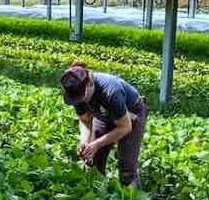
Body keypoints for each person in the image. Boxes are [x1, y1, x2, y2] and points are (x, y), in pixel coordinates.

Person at [60, 60, 147, 188]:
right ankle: (97, 194)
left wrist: (96, 144)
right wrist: (85, 141)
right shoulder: (76, 91)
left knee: (127, 168)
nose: (79, 101)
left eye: (81, 98)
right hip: (103, 115)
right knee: (93, 161)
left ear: (90, 83)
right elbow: (85, 120)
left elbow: (125, 127)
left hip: (130, 116)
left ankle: (133, 196)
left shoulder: (110, 92)